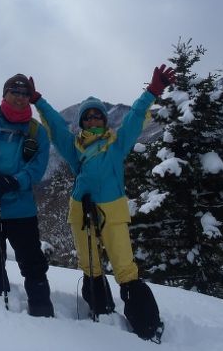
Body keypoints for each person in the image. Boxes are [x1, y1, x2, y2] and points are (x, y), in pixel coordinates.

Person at [30, 64, 176, 340]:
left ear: (104, 121)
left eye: (98, 116)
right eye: (88, 117)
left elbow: (134, 118)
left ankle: (146, 325)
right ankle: (102, 310)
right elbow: (57, 129)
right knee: (91, 266)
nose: (94, 120)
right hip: (81, 210)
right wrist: (39, 102)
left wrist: (153, 91)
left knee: (125, 267)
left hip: (112, 210)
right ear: (83, 122)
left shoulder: (117, 144)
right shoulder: (75, 148)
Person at [0, 74, 53, 317]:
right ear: (4, 94)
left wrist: (14, 181)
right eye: (14, 92)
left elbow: (37, 167)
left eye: (25, 93)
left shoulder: (37, 132)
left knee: (32, 262)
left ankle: (42, 312)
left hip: (21, 209)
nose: (20, 97)